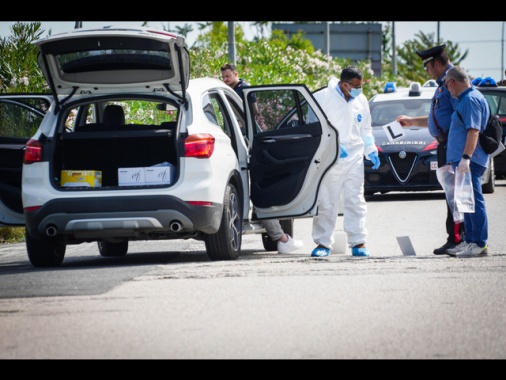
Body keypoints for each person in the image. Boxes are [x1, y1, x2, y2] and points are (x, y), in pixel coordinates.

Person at [220, 63, 303, 254]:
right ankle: (280, 237)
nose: (225, 80)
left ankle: (277, 234)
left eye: (228, 76)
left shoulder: (244, 89)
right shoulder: (227, 91)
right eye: (223, 77)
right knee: (259, 192)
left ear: (236, 74)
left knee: (259, 191)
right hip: (237, 140)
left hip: (246, 139)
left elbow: (254, 113)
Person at [396, 44, 465, 255]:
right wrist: (412, 121)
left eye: (427, 67)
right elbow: (441, 118)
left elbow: (460, 118)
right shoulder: (443, 84)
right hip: (446, 144)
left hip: (453, 145)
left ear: (435, 64)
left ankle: (457, 238)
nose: (426, 71)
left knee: (456, 195)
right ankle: (455, 238)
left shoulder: (452, 83)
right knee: (451, 194)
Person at [307, 66, 380, 257]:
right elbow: (314, 126)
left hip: (355, 157)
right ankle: (323, 243)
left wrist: (371, 149)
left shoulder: (360, 100)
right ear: (344, 84)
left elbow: (365, 128)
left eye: (361, 86)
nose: (359, 90)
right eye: (356, 86)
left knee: (355, 201)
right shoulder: (324, 97)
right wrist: (334, 145)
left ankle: (359, 242)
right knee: (327, 202)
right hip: (331, 159)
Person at [444, 66, 490, 257]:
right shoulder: (467, 98)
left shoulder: (470, 99)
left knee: (474, 201)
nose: (448, 89)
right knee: (466, 202)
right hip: (464, 161)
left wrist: (465, 158)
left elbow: (474, 131)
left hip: (469, 160)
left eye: (447, 86)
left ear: (452, 82)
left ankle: (479, 243)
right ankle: (470, 240)